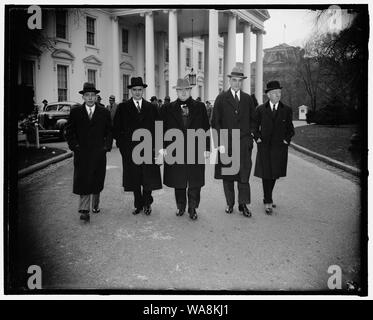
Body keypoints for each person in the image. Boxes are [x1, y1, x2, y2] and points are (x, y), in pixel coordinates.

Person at [160, 79, 210, 220]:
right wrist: (162, 147)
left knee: (195, 181)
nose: (183, 92)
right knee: (179, 180)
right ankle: (181, 206)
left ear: (190, 90)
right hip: (175, 150)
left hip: (196, 149)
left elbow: (206, 128)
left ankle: (193, 208)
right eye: (180, 90)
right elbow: (161, 128)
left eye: (186, 90)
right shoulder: (167, 108)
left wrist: (206, 148)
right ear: (176, 91)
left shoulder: (200, 107)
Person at [211, 67, 256, 218]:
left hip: (243, 143)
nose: (237, 84)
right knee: (228, 176)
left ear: (242, 82)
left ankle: (243, 205)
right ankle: (230, 203)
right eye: (234, 80)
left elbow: (253, 120)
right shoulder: (221, 98)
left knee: (244, 175)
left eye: (239, 81)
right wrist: (219, 143)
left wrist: (250, 138)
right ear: (229, 81)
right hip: (227, 143)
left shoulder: (248, 99)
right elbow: (215, 122)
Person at [113, 77, 162, 216]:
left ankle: (147, 203)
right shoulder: (123, 108)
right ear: (130, 91)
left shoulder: (151, 107)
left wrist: (157, 148)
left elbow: (159, 128)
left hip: (148, 148)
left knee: (148, 178)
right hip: (130, 150)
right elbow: (116, 129)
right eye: (134, 90)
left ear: (143, 90)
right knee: (134, 178)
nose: (137, 92)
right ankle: (137, 204)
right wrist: (123, 147)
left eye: (140, 90)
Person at [65, 82, 112, 222]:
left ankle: (95, 204)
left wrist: (106, 146)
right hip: (82, 153)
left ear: (97, 97)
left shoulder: (104, 112)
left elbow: (109, 131)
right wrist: (75, 146)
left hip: (98, 152)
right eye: (87, 95)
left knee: (97, 179)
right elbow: (69, 131)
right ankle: (84, 209)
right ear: (83, 97)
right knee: (84, 179)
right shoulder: (76, 112)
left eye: (93, 95)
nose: (90, 98)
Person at [253, 80, 295, 215]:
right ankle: (268, 201)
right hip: (264, 147)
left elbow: (291, 130)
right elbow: (254, 127)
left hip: (279, 148)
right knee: (266, 175)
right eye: (275, 93)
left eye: (279, 92)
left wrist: (286, 140)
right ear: (268, 95)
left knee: (274, 174)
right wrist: (257, 138)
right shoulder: (260, 109)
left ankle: (268, 196)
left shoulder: (287, 110)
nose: (278, 95)